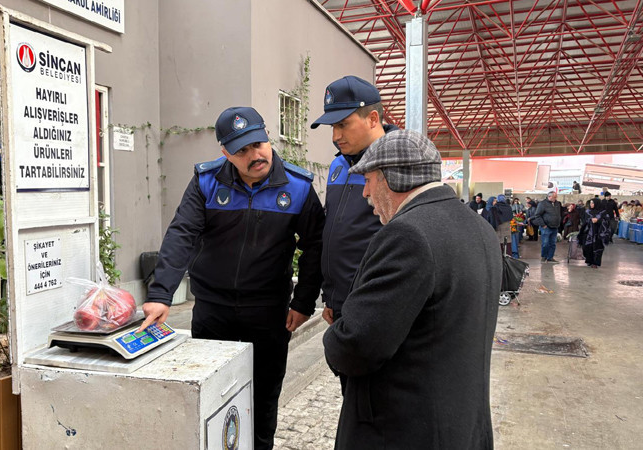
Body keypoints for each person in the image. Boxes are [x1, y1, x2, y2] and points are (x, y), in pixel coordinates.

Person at [140, 106, 325, 450]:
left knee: (264, 396)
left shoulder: (297, 188)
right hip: (213, 311)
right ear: (225, 152)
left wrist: (303, 303)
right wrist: (161, 294)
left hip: (268, 313)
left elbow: (316, 246)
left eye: (259, 144)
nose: (255, 155)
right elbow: (182, 233)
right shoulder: (207, 182)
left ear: (267, 138)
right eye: (242, 150)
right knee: (211, 394)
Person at [323, 130, 501, 449]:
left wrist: (333, 334)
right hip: (461, 427)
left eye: (368, 180)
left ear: (391, 179)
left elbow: (357, 345)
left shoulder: (408, 235)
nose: (365, 193)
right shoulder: (480, 228)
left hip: (406, 432)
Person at [310, 75, 399, 328]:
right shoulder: (339, 165)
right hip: (340, 303)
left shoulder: (399, 164)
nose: (335, 136)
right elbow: (338, 233)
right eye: (332, 127)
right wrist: (331, 298)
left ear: (372, 119)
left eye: (343, 125)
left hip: (377, 304)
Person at [578, 198, 610, 268]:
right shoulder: (587, 211)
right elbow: (584, 221)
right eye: (590, 203)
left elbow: (607, 222)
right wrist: (590, 221)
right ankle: (589, 260)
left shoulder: (603, 212)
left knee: (597, 248)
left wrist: (599, 221)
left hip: (598, 233)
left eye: (593, 203)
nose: (591, 204)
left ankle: (595, 263)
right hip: (588, 233)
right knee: (586, 248)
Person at [532, 191, 562, 263]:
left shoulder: (557, 204)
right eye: (554, 197)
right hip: (546, 227)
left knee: (553, 243)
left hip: (555, 227)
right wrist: (543, 225)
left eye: (556, 197)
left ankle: (550, 257)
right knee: (545, 243)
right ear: (549, 197)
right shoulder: (542, 204)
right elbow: (537, 215)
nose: (556, 198)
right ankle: (544, 256)